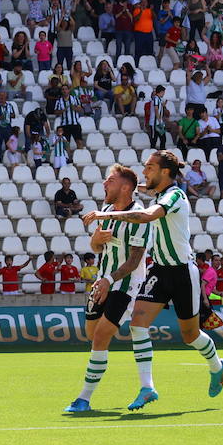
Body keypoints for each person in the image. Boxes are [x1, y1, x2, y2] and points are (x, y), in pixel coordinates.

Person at [82, 150, 223, 410]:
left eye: (149, 167)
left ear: (165, 172)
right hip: (159, 271)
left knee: (190, 335)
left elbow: (147, 216)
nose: (145, 171)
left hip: (183, 272)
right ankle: (147, 388)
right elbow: (138, 188)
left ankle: (217, 365)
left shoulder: (174, 195)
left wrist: (105, 215)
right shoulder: (158, 192)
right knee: (138, 324)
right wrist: (123, 185)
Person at [64, 164, 152, 415]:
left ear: (125, 187)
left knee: (101, 337)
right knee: (92, 335)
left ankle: (83, 398)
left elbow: (135, 261)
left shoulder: (140, 216)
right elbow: (96, 247)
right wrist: (95, 241)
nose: (104, 184)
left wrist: (109, 280)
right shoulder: (106, 211)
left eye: (110, 181)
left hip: (124, 284)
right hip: (103, 280)